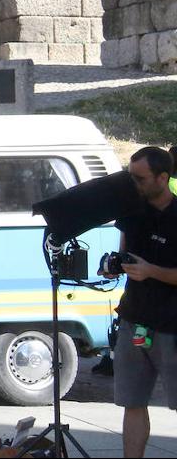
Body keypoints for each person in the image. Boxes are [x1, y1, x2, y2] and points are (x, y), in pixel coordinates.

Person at [103, 146, 177, 458]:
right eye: (131, 177)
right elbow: (125, 254)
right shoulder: (132, 212)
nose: (135, 184)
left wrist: (151, 271)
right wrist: (113, 266)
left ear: (163, 177)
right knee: (132, 402)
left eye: (141, 179)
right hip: (134, 320)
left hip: (172, 326)